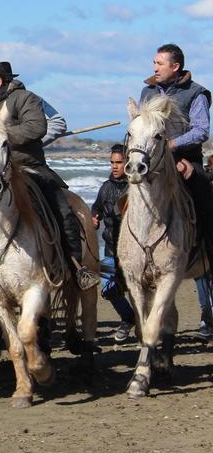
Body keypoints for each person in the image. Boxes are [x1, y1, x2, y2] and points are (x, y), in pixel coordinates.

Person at [0, 60, 100, 290]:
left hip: (29, 168)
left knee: (63, 211)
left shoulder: (24, 99)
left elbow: (37, 127)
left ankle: (76, 267)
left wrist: (0, 134)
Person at [138, 43, 213, 338]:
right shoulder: (147, 92)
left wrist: (172, 147)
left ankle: (207, 254)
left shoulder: (196, 94)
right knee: (124, 203)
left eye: (159, 63)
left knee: (206, 204)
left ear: (176, 66)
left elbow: (201, 130)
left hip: (184, 161)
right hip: (151, 165)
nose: (155, 67)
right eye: (154, 62)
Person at [91, 144, 134, 343]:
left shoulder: (135, 186)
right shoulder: (105, 187)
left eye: (119, 162)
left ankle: (145, 326)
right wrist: (94, 217)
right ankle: (128, 318)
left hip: (133, 250)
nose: (114, 166)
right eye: (112, 162)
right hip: (109, 247)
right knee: (109, 289)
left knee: (136, 290)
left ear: (127, 163)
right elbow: (96, 207)